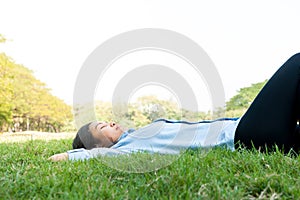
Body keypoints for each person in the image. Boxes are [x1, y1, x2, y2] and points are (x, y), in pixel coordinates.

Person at [49, 53, 300, 162]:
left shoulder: (139, 134)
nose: (111, 122)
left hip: (252, 130)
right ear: (101, 145)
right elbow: (80, 156)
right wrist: (66, 155)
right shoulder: (126, 148)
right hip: (247, 136)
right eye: (103, 127)